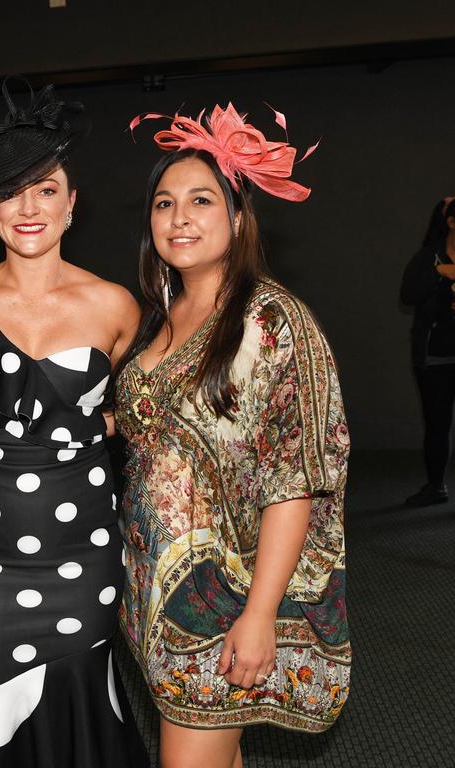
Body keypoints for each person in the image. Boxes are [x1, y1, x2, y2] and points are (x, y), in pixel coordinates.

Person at [0, 81, 149, 767]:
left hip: (86, 554)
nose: (28, 207)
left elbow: (138, 413)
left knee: (82, 703)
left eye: (46, 189)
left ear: (73, 204)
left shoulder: (116, 307)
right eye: (11, 191)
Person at [114, 105, 351, 768]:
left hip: (228, 601)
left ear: (239, 217)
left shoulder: (273, 322)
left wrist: (261, 615)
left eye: (200, 200)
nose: (179, 218)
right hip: (155, 597)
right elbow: (153, 431)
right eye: (164, 204)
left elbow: (296, 477)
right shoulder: (160, 317)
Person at [401, 196, 455, 506]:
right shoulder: (428, 257)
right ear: (450, 222)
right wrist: (440, 274)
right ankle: (436, 487)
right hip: (435, 357)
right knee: (438, 423)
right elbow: (407, 295)